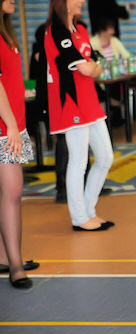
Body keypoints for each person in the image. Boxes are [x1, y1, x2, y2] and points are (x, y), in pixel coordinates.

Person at [45, 0, 115, 231]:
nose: (82, 2)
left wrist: (91, 66)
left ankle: (89, 210)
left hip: (90, 104)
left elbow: (99, 63)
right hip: (70, 105)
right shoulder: (56, 31)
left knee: (105, 157)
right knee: (79, 160)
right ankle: (79, 217)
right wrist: (91, 66)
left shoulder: (82, 30)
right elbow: (87, 68)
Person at [0, 0, 35, 288]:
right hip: (3, 126)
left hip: (13, 124)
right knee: (12, 193)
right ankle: (15, 265)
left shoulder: (6, 32)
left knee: (7, 195)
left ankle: (5, 255)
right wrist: (11, 124)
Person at [89, 17, 130, 126]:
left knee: (121, 85)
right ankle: (109, 113)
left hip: (115, 77)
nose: (113, 32)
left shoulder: (114, 41)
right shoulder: (92, 43)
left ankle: (117, 113)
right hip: (99, 78)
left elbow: (126, 56)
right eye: (110, 29)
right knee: (101, 91)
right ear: (102, 30)